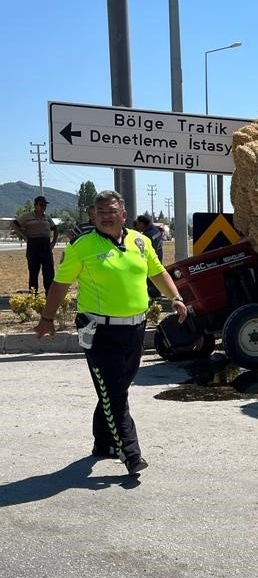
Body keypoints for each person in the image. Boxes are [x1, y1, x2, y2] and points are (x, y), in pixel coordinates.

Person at [34, 189, 188, 477]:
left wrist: (176, 298)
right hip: (98, 330)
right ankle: (130, 453)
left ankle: (103, 442)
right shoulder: (82, 246)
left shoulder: (140, 242)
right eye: (100, 212)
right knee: (114, 393)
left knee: (116, 388)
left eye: (112, 211)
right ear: (93, 215)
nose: (106, 216)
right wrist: (47, 318)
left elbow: (157, 272)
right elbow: (59, 285)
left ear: (124, 214)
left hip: (136, 327)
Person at [12, 195, 58, 294]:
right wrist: (24, 236)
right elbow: (14, 224)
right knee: (33, 273)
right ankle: (34, 298)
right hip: (33, 246)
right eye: (41, 204)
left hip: (46, 246)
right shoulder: (27, 216)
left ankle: (49, 296)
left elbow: (55, 229)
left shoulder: (47, 217)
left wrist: (53, 242)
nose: (43, 207)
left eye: (45, 205)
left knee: (49, 273)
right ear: (35, 205)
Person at [134, 215, 164, 298]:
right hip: (159, 255)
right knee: (157, 276)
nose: (137, 226)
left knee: (150, 280)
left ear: (142, 223)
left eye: (137, 224)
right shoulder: (156, 230)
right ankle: (157, 295)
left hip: (150, 259)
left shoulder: (147, 235)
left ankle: (154, 298)